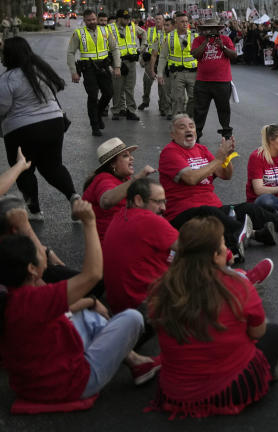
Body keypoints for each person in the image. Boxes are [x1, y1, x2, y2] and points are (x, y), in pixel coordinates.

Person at [0, 199, 159, 404]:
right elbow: (92, 274)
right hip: (71, 384)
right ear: (31, 269)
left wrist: (90, 301)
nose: (44, 253)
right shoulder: (33, 299)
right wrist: (89, 222)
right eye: (38, 253)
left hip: (31, 381)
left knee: (86, 312)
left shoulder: (14, 291)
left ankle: (135, 361)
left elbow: (66, 305)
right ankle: (129, 358)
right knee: (133, 317)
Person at [147, 216, 278, 418]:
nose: (226, 248)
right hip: (228, 389)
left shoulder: (161, 288)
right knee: (274, 332)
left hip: (176, 392)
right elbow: (257, 332)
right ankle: (266, 373)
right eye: (222, 244)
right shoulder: (238, 286)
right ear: (215, 255)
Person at [158, 115, 277, 254]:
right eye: (182, 127)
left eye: (191, 126)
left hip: (214, 208)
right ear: (173, 134)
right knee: (209, 212)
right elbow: (191, 178)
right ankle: (240, 240)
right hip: (183, 214)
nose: (188, 129)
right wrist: (218, 159)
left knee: (249, 208)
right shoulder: (170, 152)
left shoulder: (201, 149)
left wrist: (226, 158)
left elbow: (225, 175)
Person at [1, 36, 77, 219]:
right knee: (53, 166)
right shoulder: (40, 70)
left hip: (22, 129)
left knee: (23, 168)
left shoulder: (8, 78)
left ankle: (35, 211)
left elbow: (2, 107)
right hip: (53, 124)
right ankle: (74, 197)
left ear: (9, 55)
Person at [102, 179, 179, 314]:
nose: (164, 208)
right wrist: (228, 256)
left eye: (164, 202)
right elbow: (193, 246)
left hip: (121, 306)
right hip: (146, 305)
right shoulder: (148, 220)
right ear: (138, 200)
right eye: (158, 202)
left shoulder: (120, 215)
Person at [81, 138, 156, 242]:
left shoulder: (124, 178)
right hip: (111, 244)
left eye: (130, 154)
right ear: (112, 164)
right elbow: (106, 201)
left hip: (124, 235)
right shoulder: (103, 179)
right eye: (126, 156)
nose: (132, 158)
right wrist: (139, 176)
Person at [66, 8, 120, 136]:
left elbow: (115, 48)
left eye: (94, 19)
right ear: (84, 21)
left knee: (109, 93)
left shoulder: (105, 30)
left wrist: (117, 66)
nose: (92, 22)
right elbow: (70, 53)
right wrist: (74, 71)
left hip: (103, 67)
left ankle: (97, 114)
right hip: (88, 69)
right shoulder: (79, 33)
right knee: (93, 96)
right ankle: (94, 126)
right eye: (89, 20)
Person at [191, 16, 237, 140]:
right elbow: (195, 54)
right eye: (208, 29)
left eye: (214, 29)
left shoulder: (225, 39)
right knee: (200, 110)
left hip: (222, 82)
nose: (211, 32)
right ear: (204, 30)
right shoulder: (198, 40)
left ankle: (227, 134)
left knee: (223, 109)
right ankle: (197, 135)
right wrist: (205, 43)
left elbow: (234, 55)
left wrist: (223, 47)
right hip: (203, 82)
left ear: (218, 29)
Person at [157, 11, 197, 120]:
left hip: (193, 73)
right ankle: (178, 123)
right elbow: (163, 57)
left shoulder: (194, 36)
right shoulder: (169, 37)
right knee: (178, 99)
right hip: (176, 74)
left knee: (194, 98)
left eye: (186, 21)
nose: (185, 24)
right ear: (176, 23)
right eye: (182, 22)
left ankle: (188, 119)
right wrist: (160, 74)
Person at [107, 9, 142, 121]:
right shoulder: (110, 28)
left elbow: (144, 34)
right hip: (118, 62)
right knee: (117, 88)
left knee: (130, 88)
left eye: (128, 18)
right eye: (125, 18)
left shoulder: (131, 27)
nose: (127, 20)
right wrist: (113, 62)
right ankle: (116, 111)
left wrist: (140, 49)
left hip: (131, 61)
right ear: (118, 18)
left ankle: (131, 111)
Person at [146, 17, 174, 117]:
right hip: (164, 67)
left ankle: (174, 109)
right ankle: (166, 109)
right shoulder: (159, 37)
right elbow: (154, 54)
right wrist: (152, 70)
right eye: (164, 25)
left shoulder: (179, 36)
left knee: (176, 91)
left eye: (167, 25)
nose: (164, 27)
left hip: (177, 67)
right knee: (164, 90)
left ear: (173, 26)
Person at [138, 18, 163, 111]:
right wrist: (141, 56)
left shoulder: (167, 30)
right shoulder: (150, 31)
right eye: (156, 20)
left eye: (160, 19)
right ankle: (145, 101)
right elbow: (145, 44)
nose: (158, 21)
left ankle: (163, 105)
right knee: (147, 81)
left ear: (163, 21)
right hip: (150, 59)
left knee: (162, 84)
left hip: (161, 59)